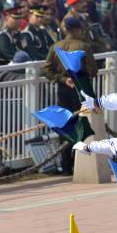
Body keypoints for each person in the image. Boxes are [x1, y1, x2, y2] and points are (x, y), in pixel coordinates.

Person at [42, 17, 98, 175]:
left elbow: (46, 69)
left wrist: (62, 78)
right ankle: (80, 163)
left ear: (65, 29)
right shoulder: (84, 46)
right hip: (80, 89)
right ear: (78, 29)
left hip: (63, 88)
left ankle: (66, 166)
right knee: (82, 125)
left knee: (65, 125)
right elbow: (93, 71)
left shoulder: (55, 46)